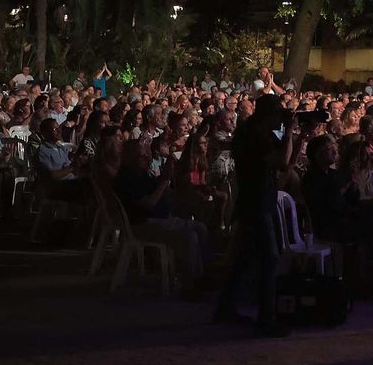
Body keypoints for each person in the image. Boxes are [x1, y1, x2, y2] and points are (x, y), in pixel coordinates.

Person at [214, 94, 294, 337]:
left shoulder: (252, 130)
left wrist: (285, 132)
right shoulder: (255, 135)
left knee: (246, 257)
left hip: (255, 200)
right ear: (269, 114)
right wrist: (289, 130)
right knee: (269, 258)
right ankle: (266, 318)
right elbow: (282, 161)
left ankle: (225, 308)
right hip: (257, 202)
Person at [114, 140, 211, 293]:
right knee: (189, 235)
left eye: (147, 156)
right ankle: (190, 283)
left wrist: (167, 175)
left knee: (200, 227)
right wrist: (164, 181)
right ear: (131, 158)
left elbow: (158, 187)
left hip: (159, 218)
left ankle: (202, 274)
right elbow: (149, 203)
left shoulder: (141, 174)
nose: (147, 159)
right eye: (142, 157)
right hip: (142, 224)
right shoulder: (127, 178)